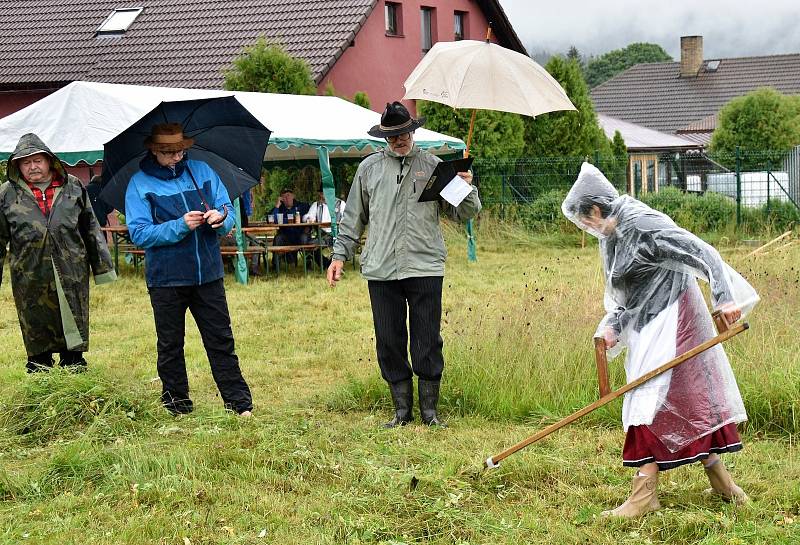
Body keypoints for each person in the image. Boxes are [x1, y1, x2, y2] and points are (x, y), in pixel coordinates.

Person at [561, 162, 759, 518]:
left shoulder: (643, 224)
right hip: (647, 326)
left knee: (646, 401)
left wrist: (724, 298)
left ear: (594, 210)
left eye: (584, 220)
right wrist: (614, 326)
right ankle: (723, 483)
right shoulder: (612, 236)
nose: (586, 228)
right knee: (684, 401)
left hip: (675, 319)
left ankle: (643, 496)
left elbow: (704, 253)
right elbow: (627, 294)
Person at [327, 101, 481, 428]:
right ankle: (401, 411)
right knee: (389, 338)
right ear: (384, 136)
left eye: (404, 133)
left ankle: (430, 413)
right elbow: (353, 217)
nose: (400, 140)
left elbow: (464, 212)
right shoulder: (368, 169)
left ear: (413, 131)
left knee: (427, 339)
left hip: (424, 266)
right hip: (381, 268)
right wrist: (340, 255)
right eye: (393, 135)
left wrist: (466, 185)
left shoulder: (434, 166)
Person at [124, 123, 253, 416]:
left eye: (181, 150)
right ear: (154, 150)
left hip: (208, 273)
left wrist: (222, 220)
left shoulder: (203, 172)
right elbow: (140, 233)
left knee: (221, 340)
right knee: (171, 344)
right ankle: (177, 405)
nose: (177, 156)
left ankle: (239, 404)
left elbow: (228, 210)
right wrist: (179, 226)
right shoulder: (139, 184)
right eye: (169, 152)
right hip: (166, 279)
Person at [0, 133, 116, 372]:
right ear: (17, 165)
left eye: (37, 160)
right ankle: (39, 366)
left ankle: (73, 365)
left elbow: (91, 227)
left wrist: (103, 269)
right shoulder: (6, 194)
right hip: (29, 274)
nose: (32, 167)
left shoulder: (72, 186)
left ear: (49, 161)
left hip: (71, 269)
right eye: (25, 162)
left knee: (72, 316)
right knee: (35, 321)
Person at [302, 185, 346, 268]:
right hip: (321, 235)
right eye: (322, 193)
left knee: (313, 244)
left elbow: (347, 218)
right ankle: (327, 264)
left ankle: (328, 264)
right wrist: (309, 219)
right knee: (310, 245)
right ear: (320, 194)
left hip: (337, 235)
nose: (324, 195)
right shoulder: (317, 205)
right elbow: (306, 217)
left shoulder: (341, 204)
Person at [269, 187, 310, 267]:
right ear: (281, 199)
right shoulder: (280, 208)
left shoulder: (302, 206)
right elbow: (271, 219)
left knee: (305, 238)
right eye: (284, 196)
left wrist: (308, 228)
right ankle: (276, 265)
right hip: (286, 236)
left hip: (299, 235)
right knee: (278, 238)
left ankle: (308, 264)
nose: (287, 198)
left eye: (288, 195)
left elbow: (311, 217)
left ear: (293, 196)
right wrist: (277, 206)